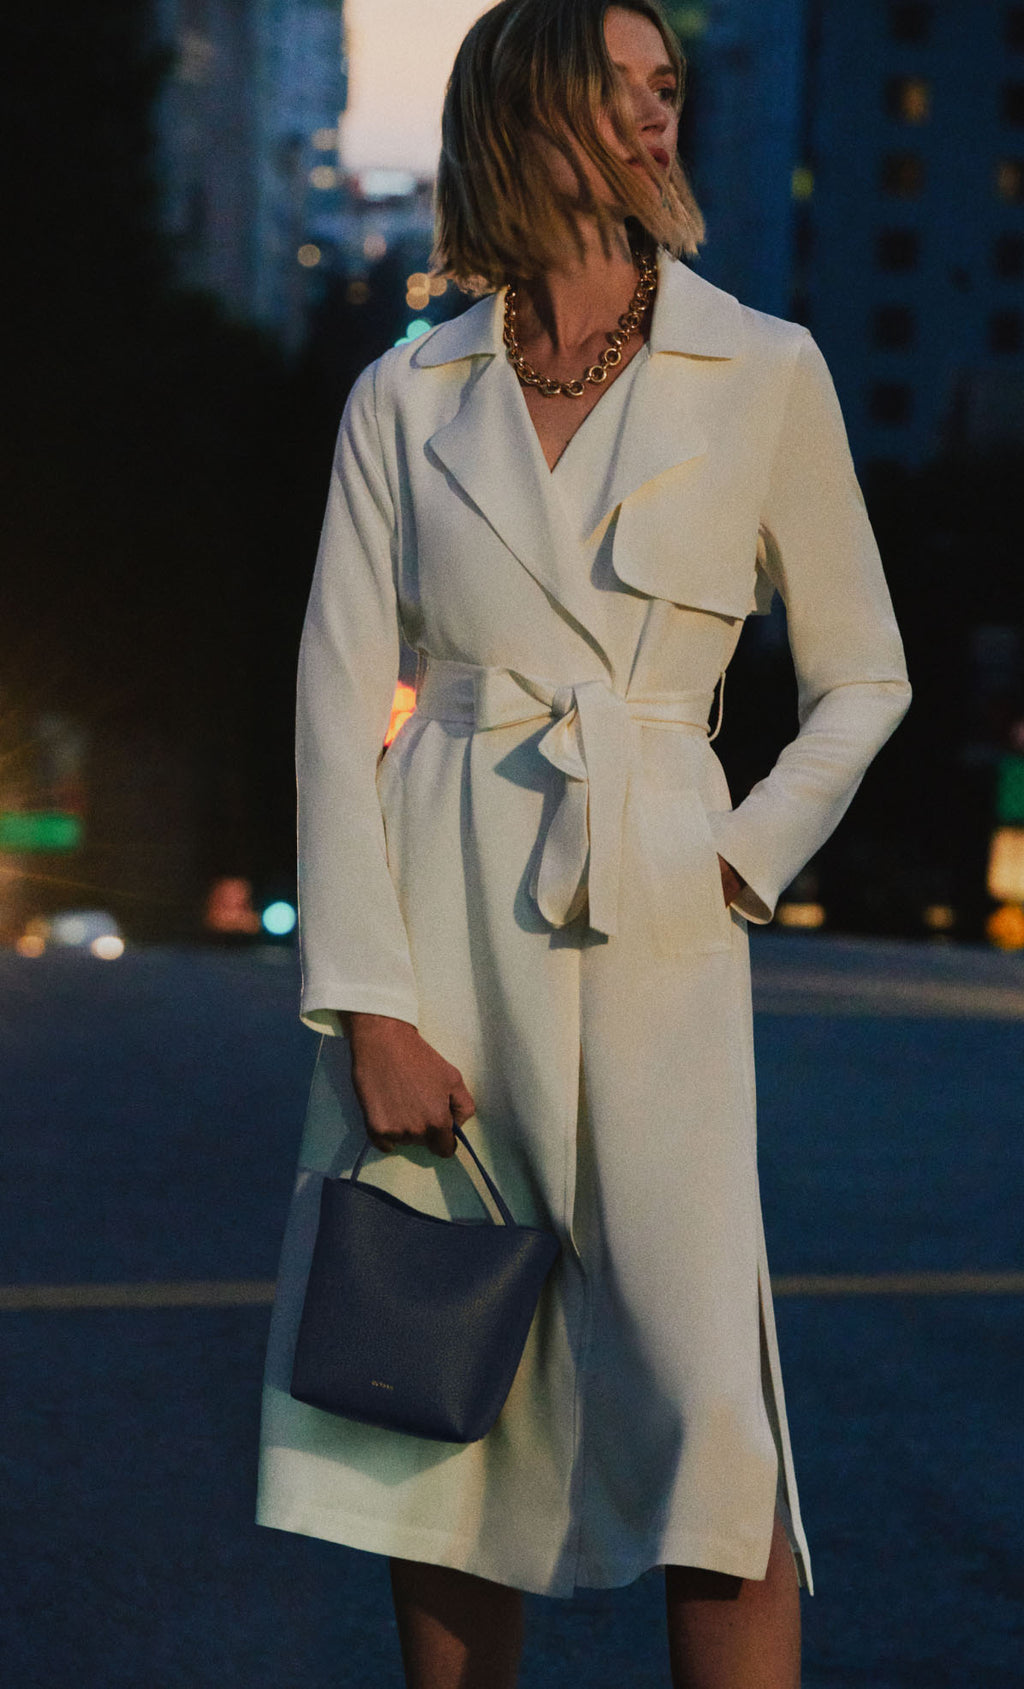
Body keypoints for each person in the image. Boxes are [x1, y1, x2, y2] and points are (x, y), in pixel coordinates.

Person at [256, 3, 912, 1685]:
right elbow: (338, 708)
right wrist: (370, 1004)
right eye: (613, 87)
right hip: (441, 925)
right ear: (518, 118)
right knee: (440, 1424)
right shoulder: (407, 396)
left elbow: (863, 675)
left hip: (662, 932)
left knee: (706, 1421)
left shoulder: (763, 368)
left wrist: (739, 854)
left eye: (667, 86)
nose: (653, 114)